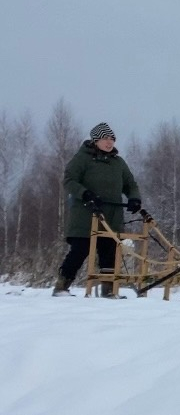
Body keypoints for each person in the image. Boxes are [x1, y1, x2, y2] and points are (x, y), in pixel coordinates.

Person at [52, 122, 142, 297]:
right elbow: (69, 180)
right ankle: (62, 286)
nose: (109, 142)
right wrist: (85, 194)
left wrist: (134, 199)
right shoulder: (82, 158)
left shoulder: (118, 163)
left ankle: (108, 291)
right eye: (105, 139)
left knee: (109, 253)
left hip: (112, 217)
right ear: (95, 140)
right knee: (80, 251)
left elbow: (131, 184)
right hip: (86, 215)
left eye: (112, 139)